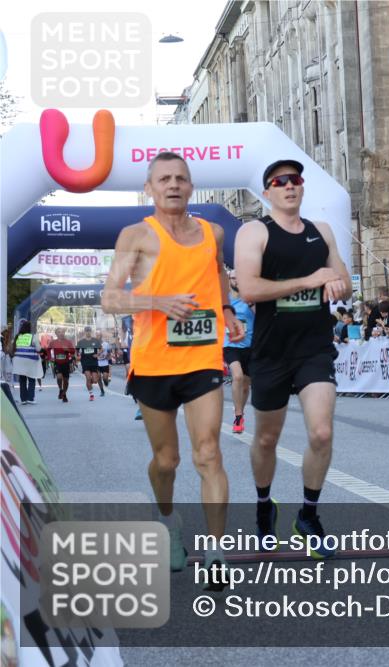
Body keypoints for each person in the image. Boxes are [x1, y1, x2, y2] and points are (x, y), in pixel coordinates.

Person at [102, 151, 244, 583]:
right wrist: (157, 302)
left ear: (191, 185)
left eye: (181, 177)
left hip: (201, 357)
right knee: (167, 461)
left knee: (208, 453)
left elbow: (216, 269)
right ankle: (167, 522)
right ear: (149, 188)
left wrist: (226, 309)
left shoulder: (212, 232)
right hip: (153, 362)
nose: (173, 184)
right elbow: (110, 299)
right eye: (163, 178)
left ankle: (216, 553)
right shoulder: (135, 236)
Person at [235, 158, 351, 559]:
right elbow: (248, 288)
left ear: (302, 188)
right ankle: (265, 506)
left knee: (321, 433)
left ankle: (309, 515)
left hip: (314, 349)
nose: (289, 186)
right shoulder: (254, 232)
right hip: (270, 352)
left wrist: (335, 284)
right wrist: (308, 281)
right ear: (267, 192)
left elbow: (346, 284)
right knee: (267, 438)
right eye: (279, 181)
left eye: (295, 180)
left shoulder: (322, 232)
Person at [223, 270, 255, 434]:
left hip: (249, 345)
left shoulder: (250, 297)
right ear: (228, 280)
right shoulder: (225, 299)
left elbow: (261, 316)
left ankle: (241, 414)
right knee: (237, 376)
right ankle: (237, 415)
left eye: (239, 277)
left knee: (245, 385)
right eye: (233, 278)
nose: (236, 280)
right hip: (230, 344)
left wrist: (251, 303)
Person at [10, 321, 42, 405]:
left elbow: (12, 348)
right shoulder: (33, 337)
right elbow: (38, 349)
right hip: (29, 361)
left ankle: (23, 399)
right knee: (31, 379)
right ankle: (30, 398)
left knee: (22, 380)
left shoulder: (17, 337)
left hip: (18, 361)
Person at [47, 328, 76, 403]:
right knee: (59, 377)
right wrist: (50, 358)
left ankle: (64, 393)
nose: (61, 333)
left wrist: (68, 350)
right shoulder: (53, 342)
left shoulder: (68, 342)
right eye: (59, 332)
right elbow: (48, 350)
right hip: (57, 363)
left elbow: (73, 351)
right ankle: (60, 389)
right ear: (56, 334)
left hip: (66, 363)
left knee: (66, 380)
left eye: (62, 332)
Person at [76, 326, 105, 400]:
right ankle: (91, 395)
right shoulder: (81, 342)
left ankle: (91, 381)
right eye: (86, 331)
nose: (88, 332)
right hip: (85, 362)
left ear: (91, 332)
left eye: (89, 331)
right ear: (85, 332)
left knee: (95, 380)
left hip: (94, 362)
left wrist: (98, 354)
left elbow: (102, 349)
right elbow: (76, 351)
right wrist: (77, 356)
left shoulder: (95, 340)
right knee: (88, 378)